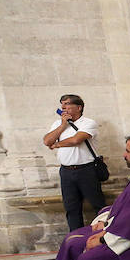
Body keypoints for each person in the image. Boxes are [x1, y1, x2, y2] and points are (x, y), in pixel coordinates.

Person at [43, 94, 105, 230]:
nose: (63, 107)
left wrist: (58, 145)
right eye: (62, 104)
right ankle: (76, 239)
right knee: (72, 208)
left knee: (98, 205)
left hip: (86, 170)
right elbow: (47, 141)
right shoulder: (58, 124)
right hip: (66, 172)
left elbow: (76, 140)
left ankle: (104, 235)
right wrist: (63, 125)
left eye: (67, 104)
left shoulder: (88, 123)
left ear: (79, 107)